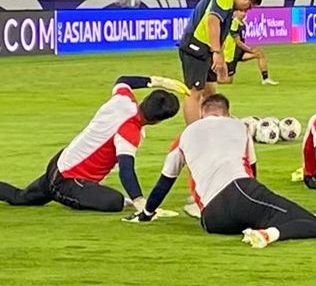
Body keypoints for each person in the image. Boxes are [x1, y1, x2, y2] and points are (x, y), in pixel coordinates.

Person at [125, 94, 316, 249]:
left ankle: (259, 227)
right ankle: (268, 235)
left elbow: (164, 182)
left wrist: (147, 213)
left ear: (202, 112)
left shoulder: (184, 135)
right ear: (227, 113)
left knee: (283, 217)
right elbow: (252, 171)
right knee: (315, 224)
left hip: (212, 220)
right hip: (241, 192)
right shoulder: (239, 127)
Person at [0, 76, 187, 212]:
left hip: (59, 164)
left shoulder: (123, 100)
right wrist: (139, 201)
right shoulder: (129, 131)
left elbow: (124, 80)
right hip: (68, 181)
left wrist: (157, 81)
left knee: (20, 198)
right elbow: (126, 170)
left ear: (145, 100)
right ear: (157, 121)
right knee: (114, 202)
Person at [178, 0, 262, 124]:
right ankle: (192, 134)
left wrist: (220, 58)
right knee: (194, 91)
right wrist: (216, 52)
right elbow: (213, 21)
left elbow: (221, 33)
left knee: (210, 92)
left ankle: (213, 127)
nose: (246, 10)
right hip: (196, 46)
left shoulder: (229, 7)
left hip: (208, 49)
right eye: (249, 7)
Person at [218, 9, 278, 86]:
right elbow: (238, 42)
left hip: (240, 52)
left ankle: (265, 79)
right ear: (235, 12)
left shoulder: (243, 24)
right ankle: (210, 79)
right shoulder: (234, 23)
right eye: (241, 11)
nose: (243, 14)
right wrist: (249, 49)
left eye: (245, 12)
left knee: (259, 53)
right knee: (228, 81)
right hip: (231, 55)